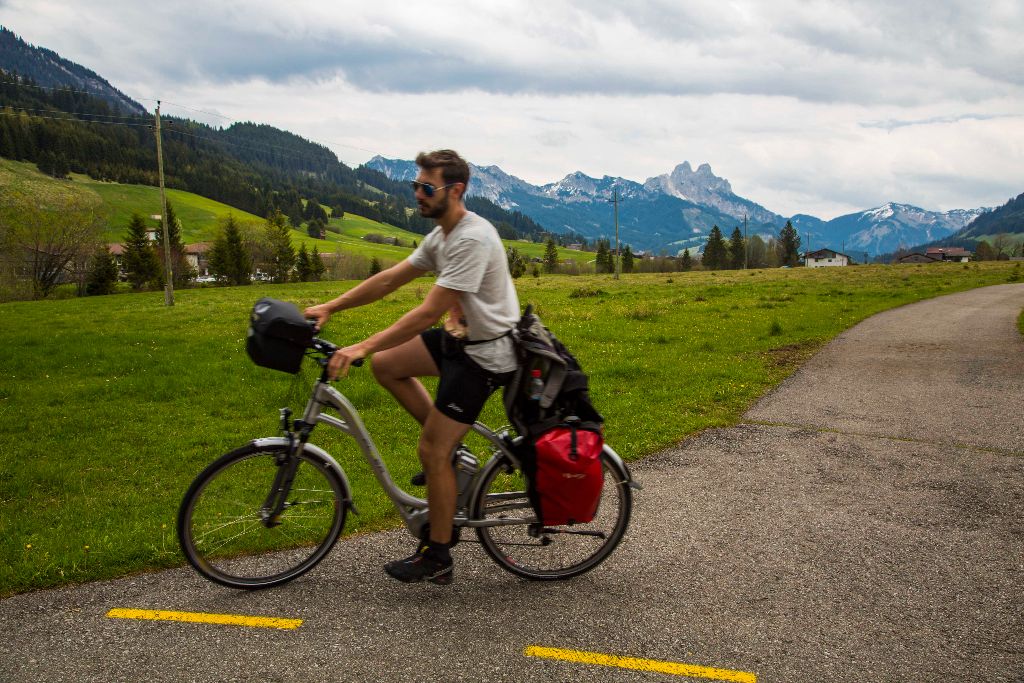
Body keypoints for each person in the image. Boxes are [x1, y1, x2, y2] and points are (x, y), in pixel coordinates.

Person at [304, 149, 520, 585]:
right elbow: (389, 280)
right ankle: (454, 457)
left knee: (430, 450)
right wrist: (332, 305)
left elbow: (425, 313)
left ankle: (438, 553)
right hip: (461, 339)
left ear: (455, 191)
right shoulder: (442, 235)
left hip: (486, 355)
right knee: (387, 365)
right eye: (415, 186)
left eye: (426, 187)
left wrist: (360, 346)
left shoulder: (471, 239)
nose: (418, 194)